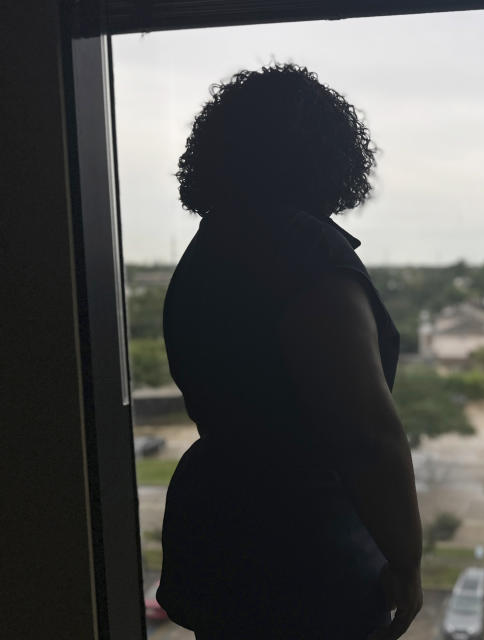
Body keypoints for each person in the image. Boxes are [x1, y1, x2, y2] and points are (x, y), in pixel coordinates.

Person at [156, 63, 423, 639]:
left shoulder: (210, 249)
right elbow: (366, 432)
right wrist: (407, 560)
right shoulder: (306, 256)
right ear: (328, 154)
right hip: (303, 550)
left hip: (217, 531)